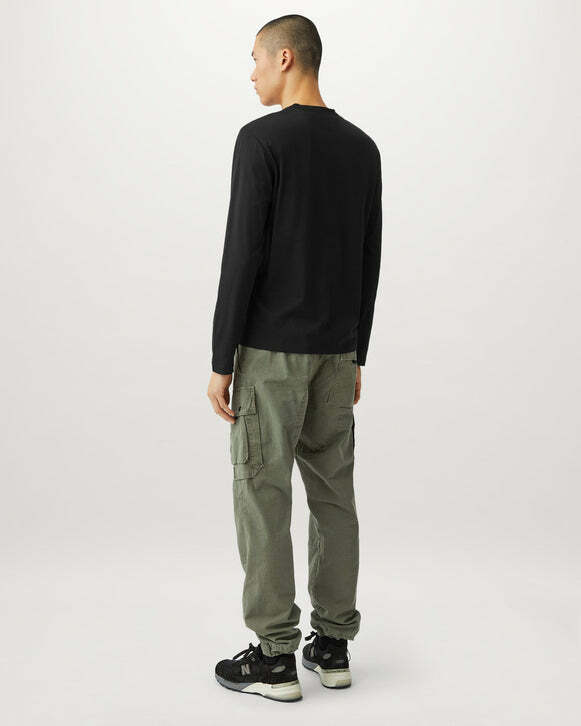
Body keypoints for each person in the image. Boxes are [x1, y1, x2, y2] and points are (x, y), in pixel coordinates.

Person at [208, 14, 382, 702]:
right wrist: (356, 351)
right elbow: (368, 257)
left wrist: (221, 358)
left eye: (255, 58)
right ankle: (332, 646)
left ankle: (275, 657)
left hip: (270, 356)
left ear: (285, 58)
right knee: (333, 495)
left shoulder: (261, 140)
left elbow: (242, 253)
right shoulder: (361, 148)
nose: (250, 72)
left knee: (262, 495)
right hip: (336, 354)